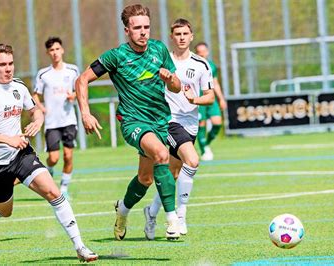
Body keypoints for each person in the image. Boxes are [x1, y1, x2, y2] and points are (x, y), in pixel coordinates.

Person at [0, 43, 97, 262]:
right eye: (2, 65)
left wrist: (37, 121)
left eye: (11, 63)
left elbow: (36, 110)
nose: (8, 69)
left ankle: (80, 246)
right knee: (5, 210)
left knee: (54, 193)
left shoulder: (19, 86)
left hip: (21, 155)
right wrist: (8, 139)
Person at [75, 4, 183, 241]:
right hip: (133, 121)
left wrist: (170, 78)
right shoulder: (116, 56)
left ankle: (122, 211)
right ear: (127, 30)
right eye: (137, 28)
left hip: (159, 121)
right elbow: (82, 80)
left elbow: (177, 87)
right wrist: (85, 113)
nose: (143, 32)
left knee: (145, 178)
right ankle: (173, 220)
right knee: (162, 155)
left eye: (146, 27)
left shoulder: (159, 49)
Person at [143, 19, 215, 240]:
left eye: (185, 33)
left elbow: (210, 96)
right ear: (171, 37)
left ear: (191, 36)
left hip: (191, 124)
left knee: (173, 174)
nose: (182, 37)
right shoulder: (163, 62)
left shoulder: (201, 64)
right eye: (178, 34)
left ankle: (151, 212)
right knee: (192, 161)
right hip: (169, 121)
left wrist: (196, 99)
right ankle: (181, 216)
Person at [32, 37, 79, 199]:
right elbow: (35, 95)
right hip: (52, 123)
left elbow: (80, 90)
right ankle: (50, 170)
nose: (55, 53)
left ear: (62, 50)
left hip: (69, 120)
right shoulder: (43, 74)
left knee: (68, 155)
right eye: (51, 50)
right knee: (53, 158)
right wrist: (41, 107)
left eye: (57, 49)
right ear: (47, 53)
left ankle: (64, 188)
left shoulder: (72, 70)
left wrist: (74, 95)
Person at [194, 42, 227, 161]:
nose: (201, 53)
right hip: (200, 99)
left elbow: (215, 83)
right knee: (201, 124)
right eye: (199, 51)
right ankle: (204, 150)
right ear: (196, 53)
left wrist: (221, 98)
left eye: (203, 51)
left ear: (207, 52)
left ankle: (206, 143)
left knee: (217, 123)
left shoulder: (212, 66)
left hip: (211, 98)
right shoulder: (193, 66)